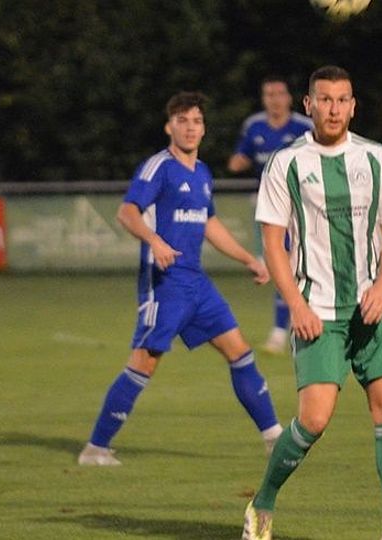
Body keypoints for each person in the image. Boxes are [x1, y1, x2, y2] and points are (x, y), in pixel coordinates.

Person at [242, 66, 382, 540]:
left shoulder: (377, 158)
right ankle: (263, 502)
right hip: (317, 312)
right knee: (314, 420)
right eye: (325, 99)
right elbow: (273, 243)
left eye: (342, 100)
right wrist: (295, 306)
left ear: (353, 107)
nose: (333, 109)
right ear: (308, 105)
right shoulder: (286, 164)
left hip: (374, 310)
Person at [78, 91, 283, 466]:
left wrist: (247, 259)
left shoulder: (202, 173)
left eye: (197, 121)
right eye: (182, 121)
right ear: (169, 126)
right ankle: (95, 449)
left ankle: (274, 438)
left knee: (240, 352)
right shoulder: (158, 167)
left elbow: (209, 223)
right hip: (164, 284)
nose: (190, 128)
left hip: (197, 284)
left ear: (204, 129)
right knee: (144, 362)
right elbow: (127, 212)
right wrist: (154, 240)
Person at [227, 76, 312, 355]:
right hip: (271, 210)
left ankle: (298, 325)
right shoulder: (254, 126)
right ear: (264, 99)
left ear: (289, 98)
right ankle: (283, 330)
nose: (275, 99)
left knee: (301, 267)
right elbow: (239, 159)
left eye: (279, 94)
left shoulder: (304, 127)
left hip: (303, 208)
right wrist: (239, 161)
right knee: (280, 267)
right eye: (269, 94)